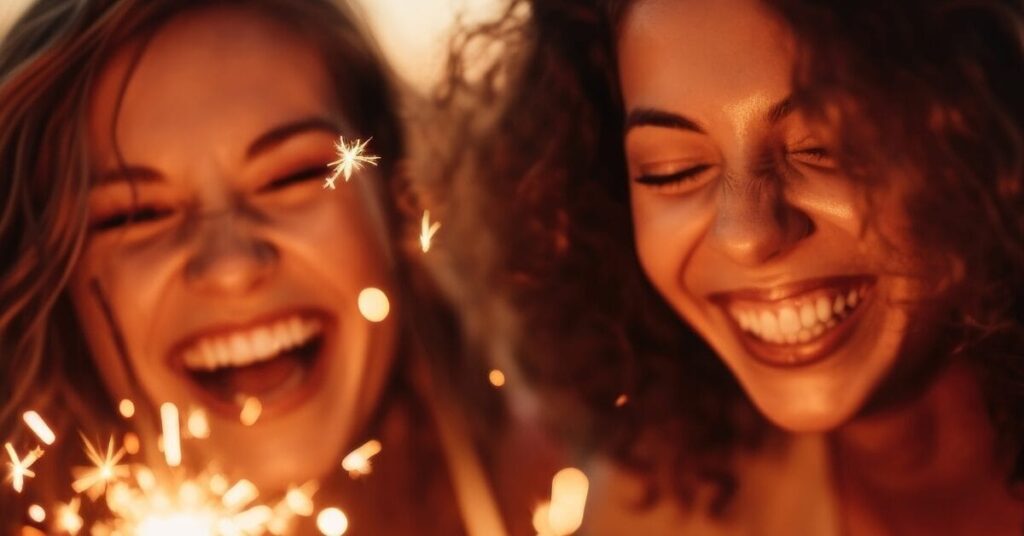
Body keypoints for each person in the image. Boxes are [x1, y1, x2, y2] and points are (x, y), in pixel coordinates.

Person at [443, 0, 1024, 533]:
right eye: (673, 170)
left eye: (831, 143)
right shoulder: (657, 513)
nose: (745, 235)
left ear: (985, 129)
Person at [0, 1, 536, 534]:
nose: (231, 266)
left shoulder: (587, 498)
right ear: (59, 285)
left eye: (292, 176)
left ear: (401, 197)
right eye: (138, 214)